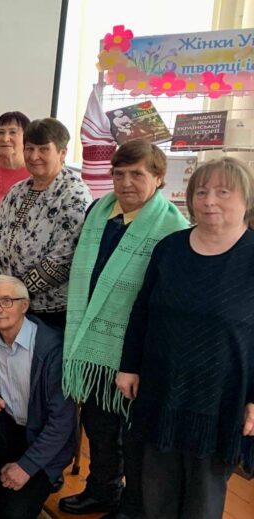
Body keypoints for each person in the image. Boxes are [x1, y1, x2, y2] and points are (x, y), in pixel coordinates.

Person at [116, 158, 254, 519]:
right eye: (201, 192)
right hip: (160, 386)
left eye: (223, 192)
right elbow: (142, 310)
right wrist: (129, 366)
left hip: (221, 397)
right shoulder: (170, 247)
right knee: (155, 488)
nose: (210, 201)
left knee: (203, 498)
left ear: (247, 200)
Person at [58, 141, 189, 519]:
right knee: (98, 424)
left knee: (134, 436)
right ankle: (103, 490)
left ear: (159, 178)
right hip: (93, 343)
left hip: (138, 349)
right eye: (119, 174)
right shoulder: (99, 211)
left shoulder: (173, 228)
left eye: (137, 174)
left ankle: (133, 506)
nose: (126, 182)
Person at [0, 275, 76, 518]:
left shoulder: (53, 349)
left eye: (7, 301)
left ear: (24, 305)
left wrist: (27, 467)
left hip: (44, 442)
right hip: (9, 429)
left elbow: (62, 422)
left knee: (12, 515)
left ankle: (36, 480)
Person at [0, 118, 91, 329]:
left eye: (43, 149)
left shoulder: (75, 194)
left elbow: (64, 258)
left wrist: (13, 294)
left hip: (47, 313)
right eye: (29, 148)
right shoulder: (18, 190)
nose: (33, 156)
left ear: (62, 153)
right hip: (2, 306)